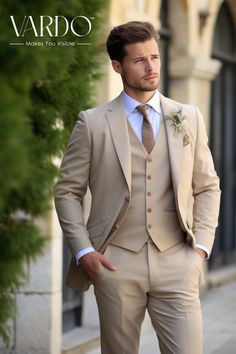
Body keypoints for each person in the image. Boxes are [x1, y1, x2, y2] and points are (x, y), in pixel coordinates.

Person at [54, 21, 221, 354]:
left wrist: (200, 248)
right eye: (139, 60)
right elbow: (67, 191)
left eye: (155, 57)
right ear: (117, 66)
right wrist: (84, 251)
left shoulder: (187, 116)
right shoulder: (93, 122)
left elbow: (207, 186)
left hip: (177, 260)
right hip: (116, 263)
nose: (151, 67)